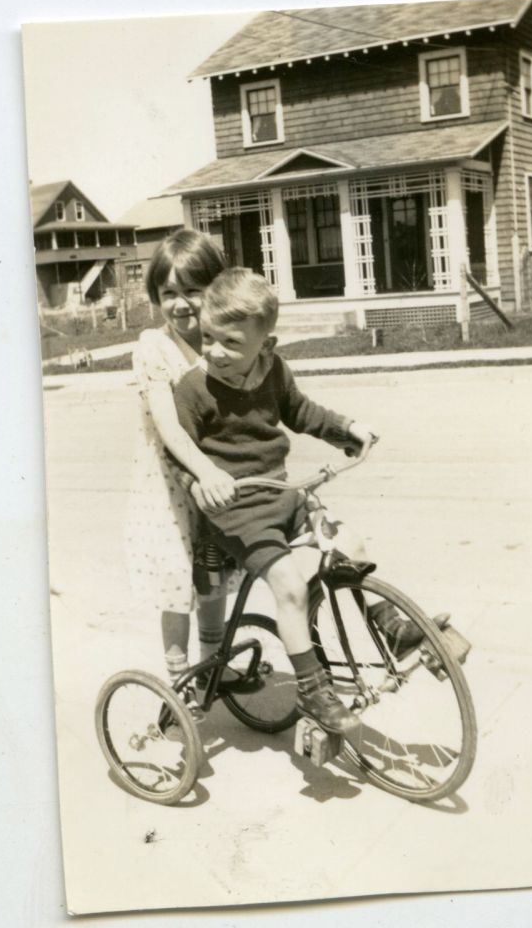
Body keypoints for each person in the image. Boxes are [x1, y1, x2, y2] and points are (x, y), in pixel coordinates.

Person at [172, 267, 423, 734]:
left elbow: (302, 412)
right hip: (237, 513)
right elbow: (179, 455)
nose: (214, 352)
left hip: (283, 495)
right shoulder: (192, 389)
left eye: (230, 342)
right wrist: (202, 484)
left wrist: (347, 429)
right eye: (207, 338)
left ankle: (394, 632)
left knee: (352, 542)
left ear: (266, 346)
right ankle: (310, 690)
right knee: (289, 584)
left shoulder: (274, 371)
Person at [124, 229, 252, 695]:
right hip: (171, 485)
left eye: (192, 291)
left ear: (215, 290)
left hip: (215, 477)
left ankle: (213, 665)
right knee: (179, 580)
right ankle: (180, 681)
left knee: (213, 572)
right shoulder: (153, 347)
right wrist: (206, 470)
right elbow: (168, 426)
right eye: (168, 293)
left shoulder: (222, 342)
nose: (180, 304)